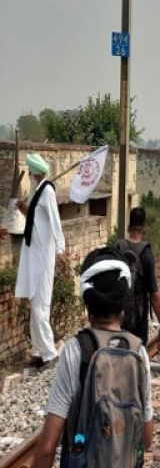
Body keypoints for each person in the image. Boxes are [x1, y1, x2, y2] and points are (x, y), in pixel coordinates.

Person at [33, 247, 153, 468]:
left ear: (88, 305)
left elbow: (47, 446)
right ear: (123, 303)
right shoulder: (139, 352)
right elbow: (147, 439)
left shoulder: (76, 351)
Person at [15, 153, 65, 369]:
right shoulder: (37, 193)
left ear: (35, 174)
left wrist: (61, 249)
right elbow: (36, 220)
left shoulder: (48, 192)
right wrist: (22, 208)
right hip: (32, 256)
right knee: (34, 302)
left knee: (40, 306)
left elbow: (54, 221)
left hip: (43, 257)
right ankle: (38, 351)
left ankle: (49, 353)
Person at [118, 207, 160, 348]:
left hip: (117, 319)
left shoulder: (118, 248)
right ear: (144, 229)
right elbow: (154, 294)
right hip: (138, 321)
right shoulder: (146, 254)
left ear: (128, 228)